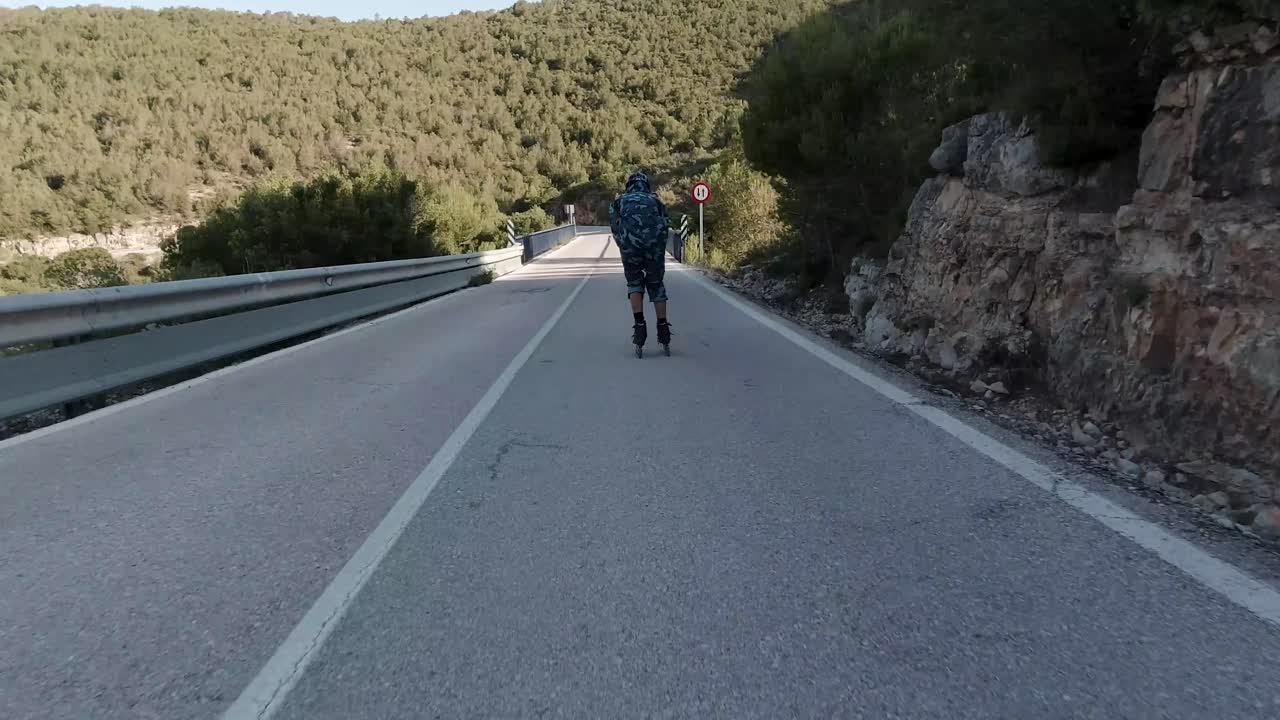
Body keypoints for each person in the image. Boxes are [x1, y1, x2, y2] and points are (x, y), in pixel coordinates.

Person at [607, 170, 672, 350]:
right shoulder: (656, 202)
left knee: (634, 283)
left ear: (629, 186)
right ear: (646, 185)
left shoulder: (619, 202)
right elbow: (665, 225)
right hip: (654, 248)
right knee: (656, 283)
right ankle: (663, 326)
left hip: (630, 248)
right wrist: (659, 247)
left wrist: (623, 245)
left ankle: (640, 326)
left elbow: (614, 226)